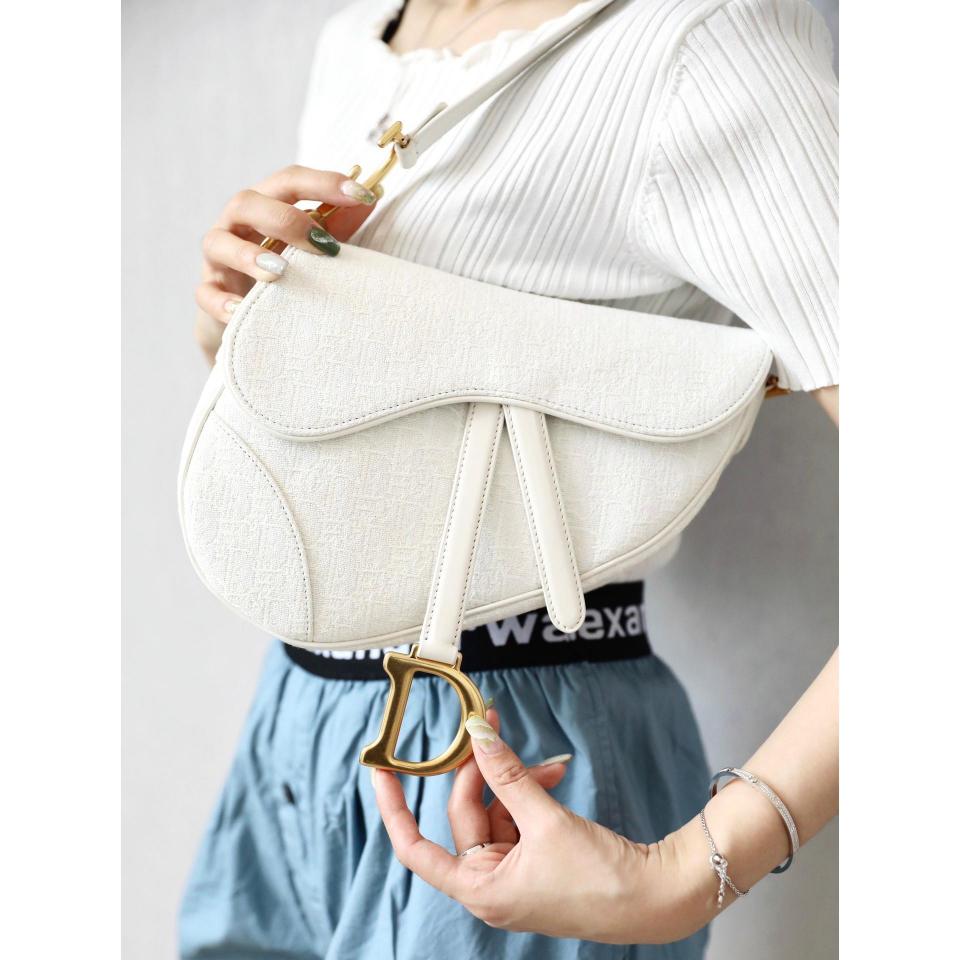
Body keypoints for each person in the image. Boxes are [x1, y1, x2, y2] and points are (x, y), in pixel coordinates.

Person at [181, 0, 839, 956]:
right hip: (299, 714)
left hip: (509, 757)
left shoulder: (701, 43)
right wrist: (237, 324)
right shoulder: (364, 32)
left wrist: (685, 876)